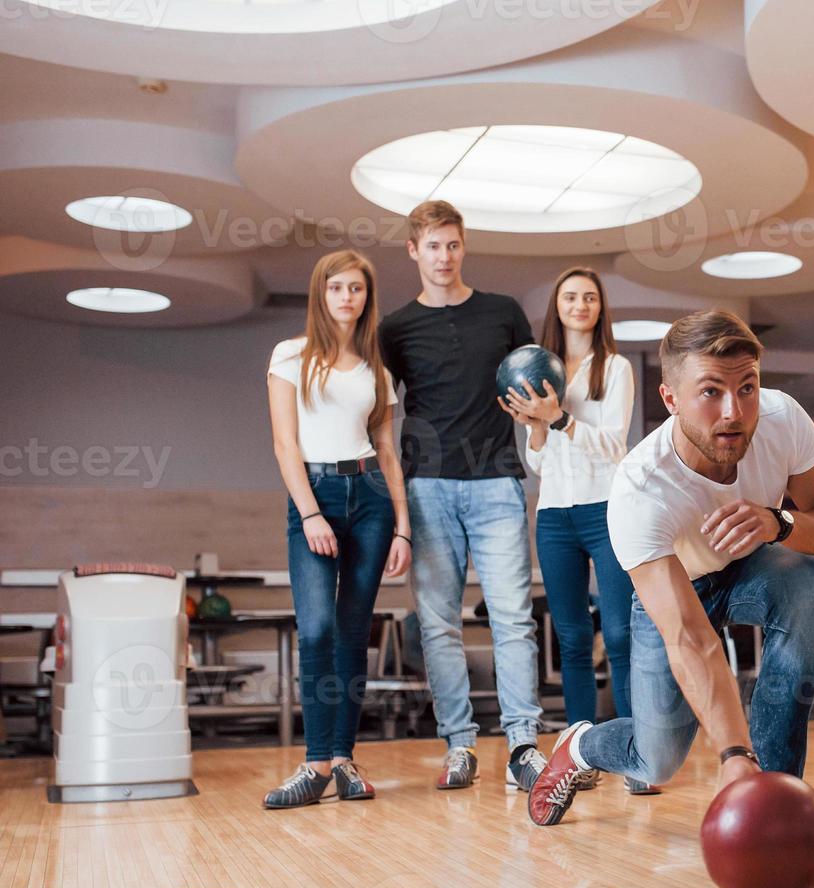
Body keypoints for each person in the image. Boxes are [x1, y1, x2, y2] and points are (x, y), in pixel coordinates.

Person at [526, 310, 814, 827]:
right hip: (677, 590)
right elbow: (690, 638)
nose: (735, 411)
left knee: (803, 580)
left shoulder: (782, 418)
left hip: (750, 566)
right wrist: (732, 755)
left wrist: (779, 522)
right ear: (670, 399)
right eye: (711, 392)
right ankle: (583, 745)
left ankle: (774, 794)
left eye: (747, 388)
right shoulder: (641, 488)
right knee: (655, 760)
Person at [379, 200, 545, 792]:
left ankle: (523, 743)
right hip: (426, 488)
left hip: (497, 482)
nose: (443, 257)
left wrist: (544, 418)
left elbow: (534, 387)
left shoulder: (503, 313)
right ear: (414, 251)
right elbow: (376, 410)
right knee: (439, 625)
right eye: (432, 247)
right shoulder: (395, 329)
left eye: (452, 245)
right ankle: (459, 745)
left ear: (463, 246)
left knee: (512, 620)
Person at [263, 249, 411, 808]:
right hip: (316, 494)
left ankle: (344, 759)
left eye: (357, 288)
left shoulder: (377, 368)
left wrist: (403, 526)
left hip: (371, 496)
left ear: (367, 297)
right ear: (320, 294)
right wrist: (309, 513)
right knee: (319, 629)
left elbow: (389, 451)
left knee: (354, 633)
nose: (347, 297)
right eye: (337, 288)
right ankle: (314, 762)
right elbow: (285, 444)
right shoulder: (290, 355)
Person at [497, 267, 653, 795]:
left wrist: (559, 417)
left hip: (607, 509)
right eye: (570, 296)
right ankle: (579, 755)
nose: (580, 304)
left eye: (589, 296)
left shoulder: (617, 368)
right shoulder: (539, 368)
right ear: (557, 306)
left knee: (620, 633)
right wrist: (538, 425)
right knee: (571, 638)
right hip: (555, 515)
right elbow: (537, 463)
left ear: (600, 306)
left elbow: (616, 447)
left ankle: (638, 755)